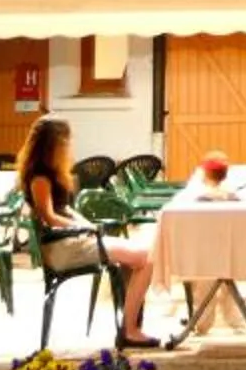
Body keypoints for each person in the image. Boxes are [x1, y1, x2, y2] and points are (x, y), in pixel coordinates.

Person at [19, 116, 158, 349]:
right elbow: (49, 217)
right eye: (65, 142)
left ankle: (130, 325)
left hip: (73, 241)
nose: (69, 147)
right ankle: (130, 330)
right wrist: (83, 228)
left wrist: (84, 224)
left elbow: (65, 210)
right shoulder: (40, 178)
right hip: (63, 248)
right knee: (146, 258)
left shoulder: (50, 174)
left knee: (140, 257)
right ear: (52, 145)